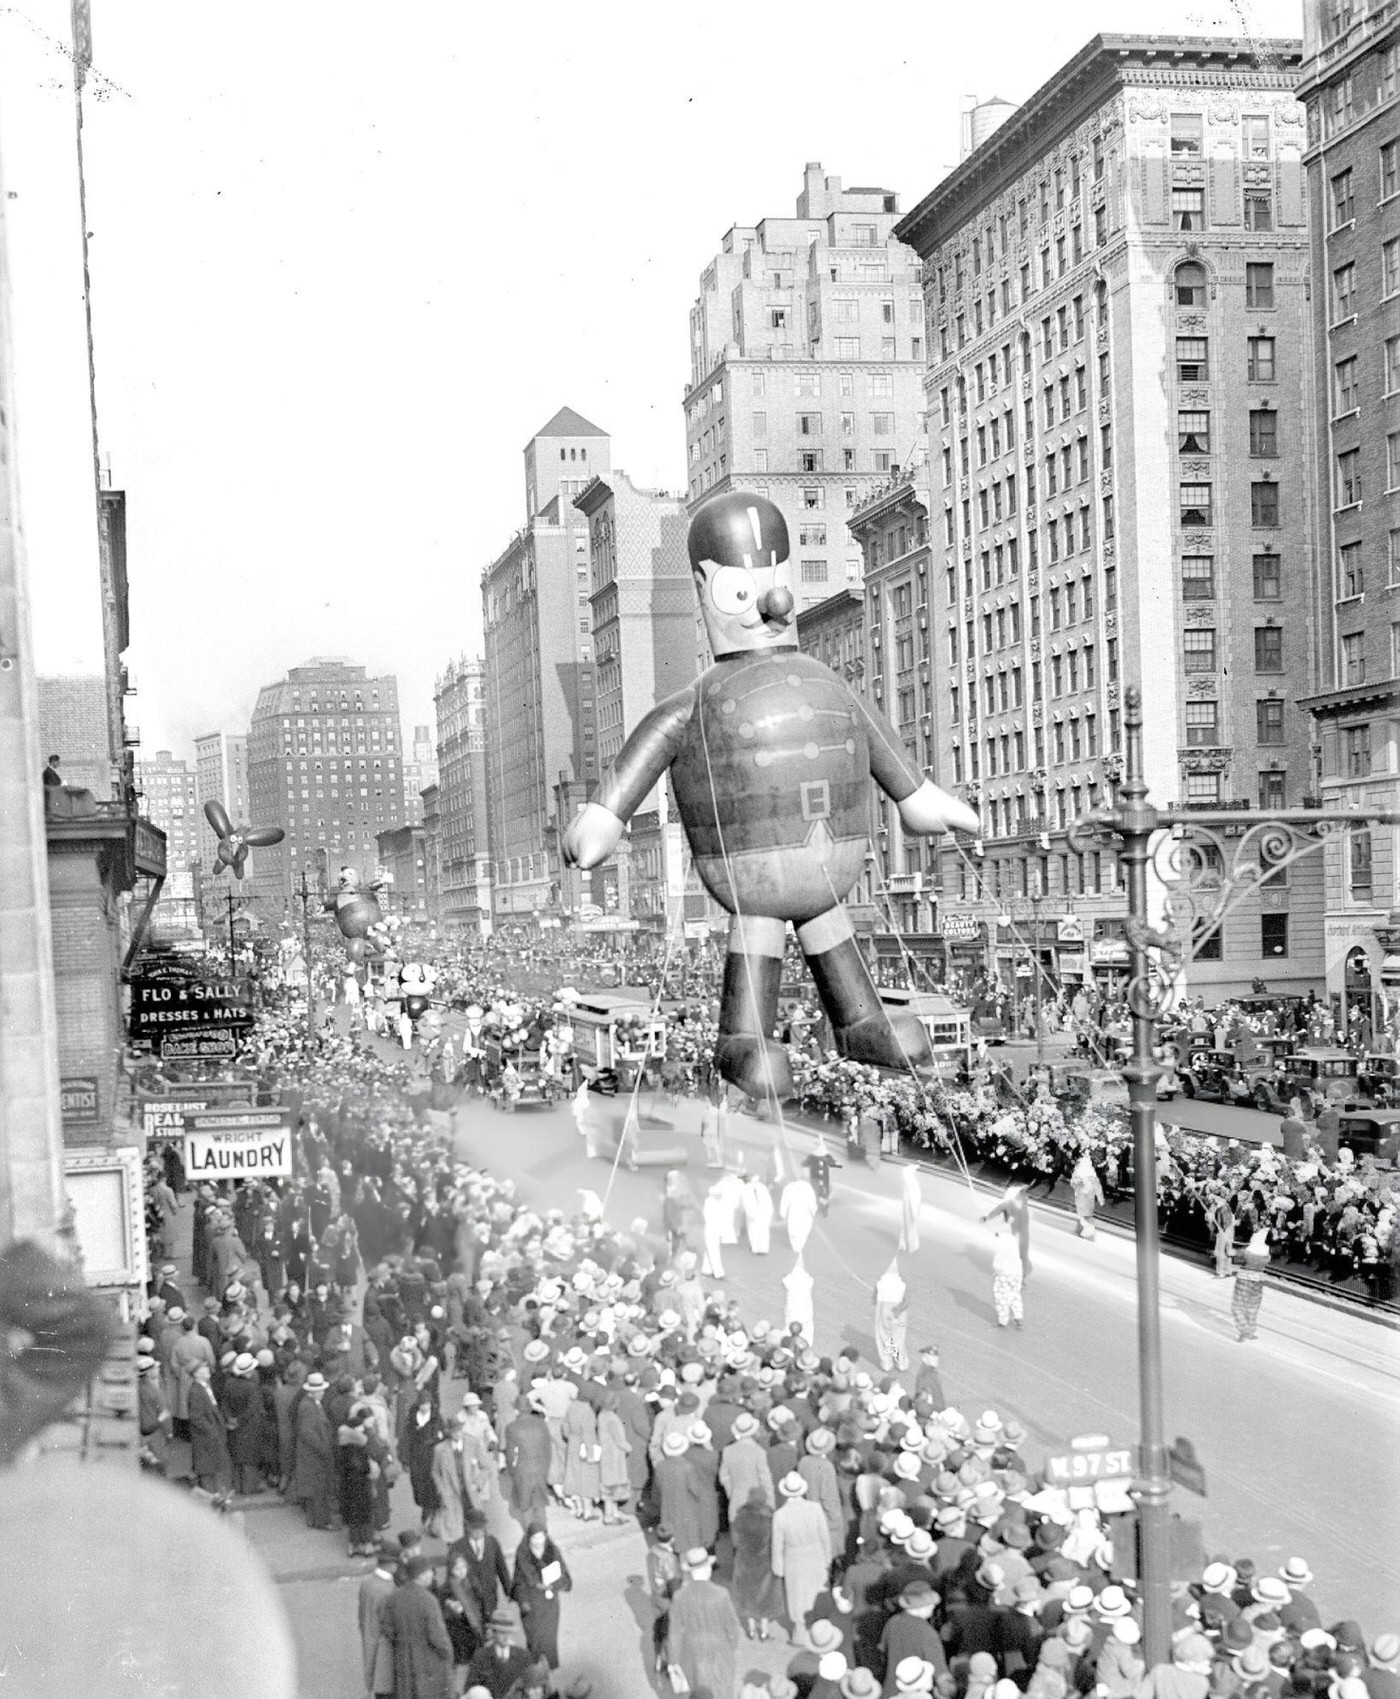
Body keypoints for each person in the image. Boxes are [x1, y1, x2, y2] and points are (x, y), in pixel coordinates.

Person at [666, 1547, 744, 1699]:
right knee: (723, 1691)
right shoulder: (721, 1594)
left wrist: (673, 1661)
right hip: (719, 1651)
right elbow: (733, 1628)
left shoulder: (679, 1596)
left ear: (689, 1571)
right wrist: (729, 1647)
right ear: (708, 1568)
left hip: (691, 1655)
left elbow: (674, 1633)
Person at [380, 1553, 455, 1699]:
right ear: (420, 1575)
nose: (432, 1575)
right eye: (428, 1572)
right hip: (427, 1659)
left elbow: (388, 1628)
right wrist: (448, 1654)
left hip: (403, 1657)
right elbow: (437, 1636)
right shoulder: (429, 1600)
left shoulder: (394, 1597)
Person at [771, 1473, 832, 1648]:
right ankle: (819, 1631)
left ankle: (799, 1632)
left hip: (794, 1558)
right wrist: (827, 1557)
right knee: (816, 1591)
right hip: (816, 1555)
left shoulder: (780, 1514)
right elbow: (824, 1536)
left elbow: (777, 1544)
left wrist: (778, 1567)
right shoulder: (815, 1508)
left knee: (797, 1595)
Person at [511, 1522, 571, 1670]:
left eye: (541, 1537)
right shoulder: (522, 1554)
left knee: (550, 1637)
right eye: (534, 1538)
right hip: (532, 1603)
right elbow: (518, 1583)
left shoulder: (552, 1550)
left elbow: (563, 1574)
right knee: (534, 1639)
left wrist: (555, 1585)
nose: (538, 1542)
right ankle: (534, 1669)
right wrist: (523, 1602)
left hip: (550, 1602)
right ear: (529, 1539)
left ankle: (551, 1666)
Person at [731, 1486, 783, 1641]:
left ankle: (751, 1629)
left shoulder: (740, 1517)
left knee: (747, 1596)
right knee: (765, 1595)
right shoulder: (770, 1518)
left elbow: (735, 1542)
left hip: (744, 1561)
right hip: (764, 1562)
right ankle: (765, 1631)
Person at [359, 1537, 400, 1699]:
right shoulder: (388, 1590)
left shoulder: (367, 1583)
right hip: (384, 1650)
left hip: (369, 1640)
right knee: (386, 1687)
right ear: (391, 1564)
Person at [463, 1612, 530, 1699]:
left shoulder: (523, 1656)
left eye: (508, 1632)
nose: (506, 1637)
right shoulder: (481, 1656)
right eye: (502, 1632)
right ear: (494, 1633)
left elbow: (530, 1684)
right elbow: (471, 1688)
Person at [1232, 1228, 1271, 1342]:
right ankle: (1251, 1329)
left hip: (1244, 1279)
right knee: (1252, 1306)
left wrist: (1228, 1248)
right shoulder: (1266, 1255)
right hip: (1258, 1280)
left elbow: (1233, 1256)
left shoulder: (1247, 1252)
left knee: (1238, 1306)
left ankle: (1244, 1328)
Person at [872, 1260, 910, 1374]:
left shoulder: (880, 1283)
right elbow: (907, 1301)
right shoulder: (902, 1285)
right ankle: (902, 1363)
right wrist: (898, 1310)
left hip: (883, 1313)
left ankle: (886, 1363)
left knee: (883, 1337)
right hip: (898, 1315)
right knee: (899, 1338)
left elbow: (874, 1300)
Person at [990, 1218, 1025, 1331]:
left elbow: (999, 1261)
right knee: (1014, 1294)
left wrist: (996, 1271)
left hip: (1004, 1273)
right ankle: (1018, 1315)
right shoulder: (1015, 1241)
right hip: (1017, 1273)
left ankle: (1002, 1320)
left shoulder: (1002, 1243)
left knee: (1001, 1297)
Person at [1069, 1153, 1104, 1241]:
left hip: (1088, 1196)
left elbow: (1097, 1187)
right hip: (1080, 1195)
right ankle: (1082, 1229)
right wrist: (1078, 1182)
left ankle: (1089, 1231)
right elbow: (1072, 1183)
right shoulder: (1078, 1173)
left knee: (1087, 1213)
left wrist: (1100, 1198)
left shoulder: (1091, 1175)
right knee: (1081, 1212)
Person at [743, 1172, 775, 1254]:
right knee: (764, 1231)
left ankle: (755, 1247)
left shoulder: (747, 1188)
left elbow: (746, 1201)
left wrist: (748, 1212)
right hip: (764, 1212)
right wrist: (770, 1212)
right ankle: (763, 1248)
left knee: (753, 1230)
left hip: (754, 1212)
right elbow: (768, 1201)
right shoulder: (763, 1187)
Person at [898, 1167, 922, 1254]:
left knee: (910, 1225)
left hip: (912, 1206)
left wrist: (914, 1211)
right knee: (906, 1224)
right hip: (909, 1205)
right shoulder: (909, 1183)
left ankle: (910, 1245)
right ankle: (905, 1243)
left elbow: (915, 1198)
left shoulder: (912, 1183)